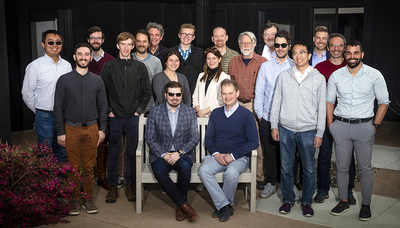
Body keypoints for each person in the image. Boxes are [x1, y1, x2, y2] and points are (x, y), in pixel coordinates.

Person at [328, 40, 390, 221]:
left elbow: (384, 102)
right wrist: (332, 126)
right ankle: (343, 201)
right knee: (341, 167)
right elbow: (329, 101)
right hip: (341, 126)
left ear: (362, 55)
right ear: (344, 54)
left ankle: (365, 206)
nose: (352, 56)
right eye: (348, 53)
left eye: (356, 53)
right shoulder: (336, 75)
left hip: (365, 127)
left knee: (365, 169)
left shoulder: (374, 75)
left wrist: (374, 126)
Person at [270, 41, 326, 217]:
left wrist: (320, 132)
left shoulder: (318, 78)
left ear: (309, 55)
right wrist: (274, 125)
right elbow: (276, 102)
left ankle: (307, 202)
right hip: (285, 129)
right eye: (295, 53)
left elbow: (322, 108)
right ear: (291, 56)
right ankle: (288, 200)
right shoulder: (284, 76)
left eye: (302, 52)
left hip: (308, 131)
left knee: (309, 169)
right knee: (286, 168)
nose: (298, 56)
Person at [54, 43, 108, 216]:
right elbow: (58, 107)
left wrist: (102, 129)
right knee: (72, 166)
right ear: (75, 57)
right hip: (71, 129)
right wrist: (60, 132)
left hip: (92, 128)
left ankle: (88, 199)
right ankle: (74, 200)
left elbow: (103, 106)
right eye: (80, 54)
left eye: (87, 54)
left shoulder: (97, 80)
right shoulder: (64, 80)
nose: (83, 57)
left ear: (91, 58)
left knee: (88, 166)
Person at [100, 32, 152, 203]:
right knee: (113, 151)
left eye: (129, 44)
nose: (126, 47)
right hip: (114, 117)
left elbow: (146, 92)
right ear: (117, 45)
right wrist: (108, 110)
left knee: (132, 152)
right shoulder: (108, 67)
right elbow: (102, 93)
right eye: (123, 44)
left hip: (133, 117)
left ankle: (131, 184)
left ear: (133, 46)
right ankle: (113, 186)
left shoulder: (140, 67)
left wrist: (138, 110)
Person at [198, 79, 258, 222]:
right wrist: (216, 154)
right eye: (224, 94)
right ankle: (225, 205)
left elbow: (253, 142)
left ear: (237, 93)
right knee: (203, 171)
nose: (227, 96)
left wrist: (233, 155)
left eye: (230, 93)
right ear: (221, 95)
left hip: (239, 157)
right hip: (217, 156)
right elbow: (209, 139)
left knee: (231, 173)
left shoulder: (246, 115)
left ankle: (223, 206)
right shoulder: (216, 114)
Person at [145, 81, 199, 222]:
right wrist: (163, 154)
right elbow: (150, 138)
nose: (174, 97)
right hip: (161, 154)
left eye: (178, 94)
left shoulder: (190, 111)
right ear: (165, 95)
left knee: (185, 167)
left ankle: (180, 206)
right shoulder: (155, 111)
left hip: (182, 153)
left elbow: (194, 138)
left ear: (182, 95)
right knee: (159, 171)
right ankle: (183, 204)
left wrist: (180, 153)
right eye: (171, 94)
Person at [313, 33, 357, 204]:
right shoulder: (320, 68)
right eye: (333, 45)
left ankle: (348, 190)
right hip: (325, 118)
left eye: (340, 45)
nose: (336, 49)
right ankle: (323, 188)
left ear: (345, 47)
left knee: (347, 156)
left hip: (345, 118)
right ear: (328, 47)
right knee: (324, 155)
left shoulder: (352, 66)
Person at [254, 29, 296, 199]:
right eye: (277, 45)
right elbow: (260, 92)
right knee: (270, 153)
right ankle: (271, 183)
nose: (279, 48)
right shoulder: (265, 66)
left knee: (289, 154)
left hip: (288, 118)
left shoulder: (295, 65)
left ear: (289, 46)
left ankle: (290, 185)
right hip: (268, 117)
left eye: (283, 45)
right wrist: (261, 115)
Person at [21, 29, 72, 163]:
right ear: (43, 44)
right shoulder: (35, 66)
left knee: (61, 151)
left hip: (63, 116)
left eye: (58, 42)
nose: (54, 45)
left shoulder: (67, 65)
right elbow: (26, 93)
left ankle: (60, 183)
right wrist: (39, 110)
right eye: (50, 42)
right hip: (44, 116)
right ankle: (46, 183)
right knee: (45, 153)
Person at [228, 31, 267, 189]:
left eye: (248, 43)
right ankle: (238, 174)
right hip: (236, 105)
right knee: (236, 140)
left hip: (254, 105)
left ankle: (259, 176)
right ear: (239, 45)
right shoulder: (233, 62)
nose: (246, 46)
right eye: (243, 43)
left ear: (254, 44)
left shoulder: (263, 62)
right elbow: (230, 85)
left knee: (256, 141)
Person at [87, 26, 115, 190]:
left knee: (103, 145)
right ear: (89, 40)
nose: (95, 41)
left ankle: (102, 176)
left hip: (105, 108)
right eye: (92, 38)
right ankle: (87, 177)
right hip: (86, 109)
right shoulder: (82, 58)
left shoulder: (110, 60)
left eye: (98, 38)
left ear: (103, 40)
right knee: (87, 145)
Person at [192, 47, 231, 117]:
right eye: (208, 58)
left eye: (214, 58)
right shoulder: (201, 76)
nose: (211, 61)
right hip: (199, 116)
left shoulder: (225, 77)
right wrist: (198, 110)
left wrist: (204, 111)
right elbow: (195, 96)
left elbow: (221, 100)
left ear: (219, 59)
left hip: (215, 116)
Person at [133, 29, 163, 113]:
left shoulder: (156, 62)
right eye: (138, 41)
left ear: (149, 43)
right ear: (135, 42)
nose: (141, 44)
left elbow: (159, 88)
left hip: (150, 109)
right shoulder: (128, 59)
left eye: (144, 41)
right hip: (130, 108)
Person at [173, 23, 205, 95]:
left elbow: (202, 74)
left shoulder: (200, 53)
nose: (186, 37)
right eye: (184, 34)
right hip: (174, 93)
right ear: (179, 35)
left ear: (193, 37)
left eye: (189, 34)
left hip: (194, 93)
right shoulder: (171, 52)